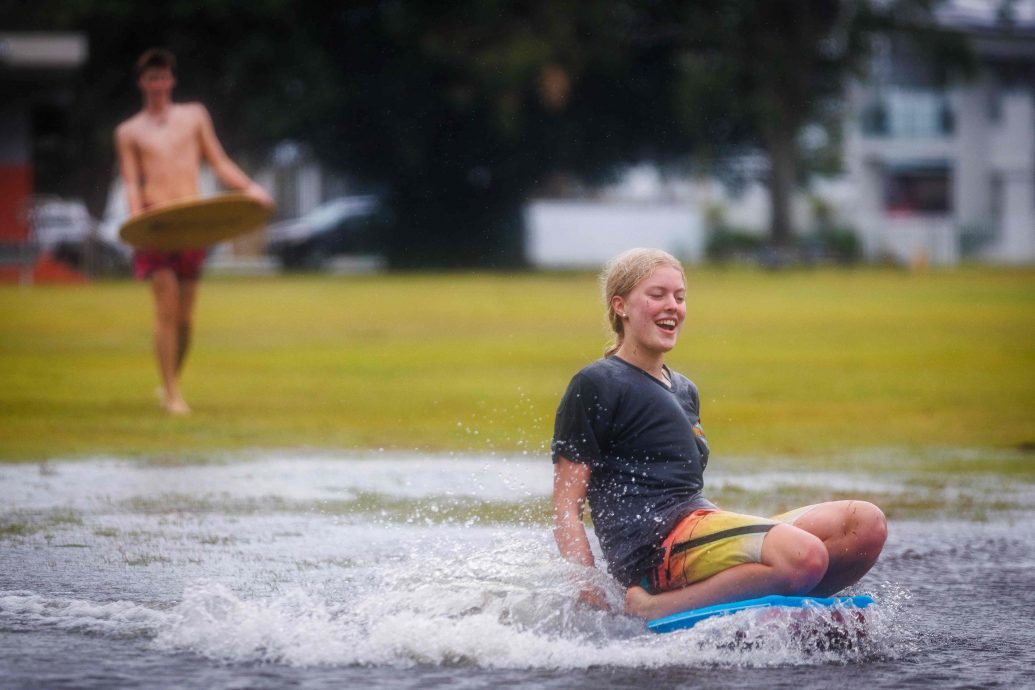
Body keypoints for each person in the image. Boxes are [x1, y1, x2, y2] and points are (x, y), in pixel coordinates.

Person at [551, 248, 887, 620]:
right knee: (803, 556)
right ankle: (652, 609)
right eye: (657, 294)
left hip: (699, 527)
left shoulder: (683, 389)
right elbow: (566, 505)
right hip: (654, 550)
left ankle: (779, 608)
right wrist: (588, 589)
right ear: (621, 306)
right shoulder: (596, 383)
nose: (672, 306)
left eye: (679, 297)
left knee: (865, 526)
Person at [115, 48, 273, 415]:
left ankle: (171, 380)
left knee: (186, 318)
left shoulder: (193, 117)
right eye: (150, 78)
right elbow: (131, 181)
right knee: (166, 307)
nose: (157, 84)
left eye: (163, 77)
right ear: (142, 83)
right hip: (156, 224)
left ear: (172, 80)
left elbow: (217, 160)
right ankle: (172, 394)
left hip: (191, 224)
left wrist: (249, 189)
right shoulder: (129, 131)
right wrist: (138, 222)